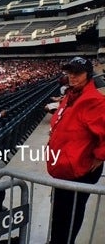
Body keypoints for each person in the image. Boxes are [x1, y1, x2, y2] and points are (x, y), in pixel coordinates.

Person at [47, 57, 105, 244]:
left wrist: (100, 155)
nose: (72, 76)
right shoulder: (71, 96)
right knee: (59, 214)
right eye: (69, 72)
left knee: (69, 217)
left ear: (88, 75)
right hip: (64, 167)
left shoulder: (94, 100)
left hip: (78, 170)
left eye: (77, 73)